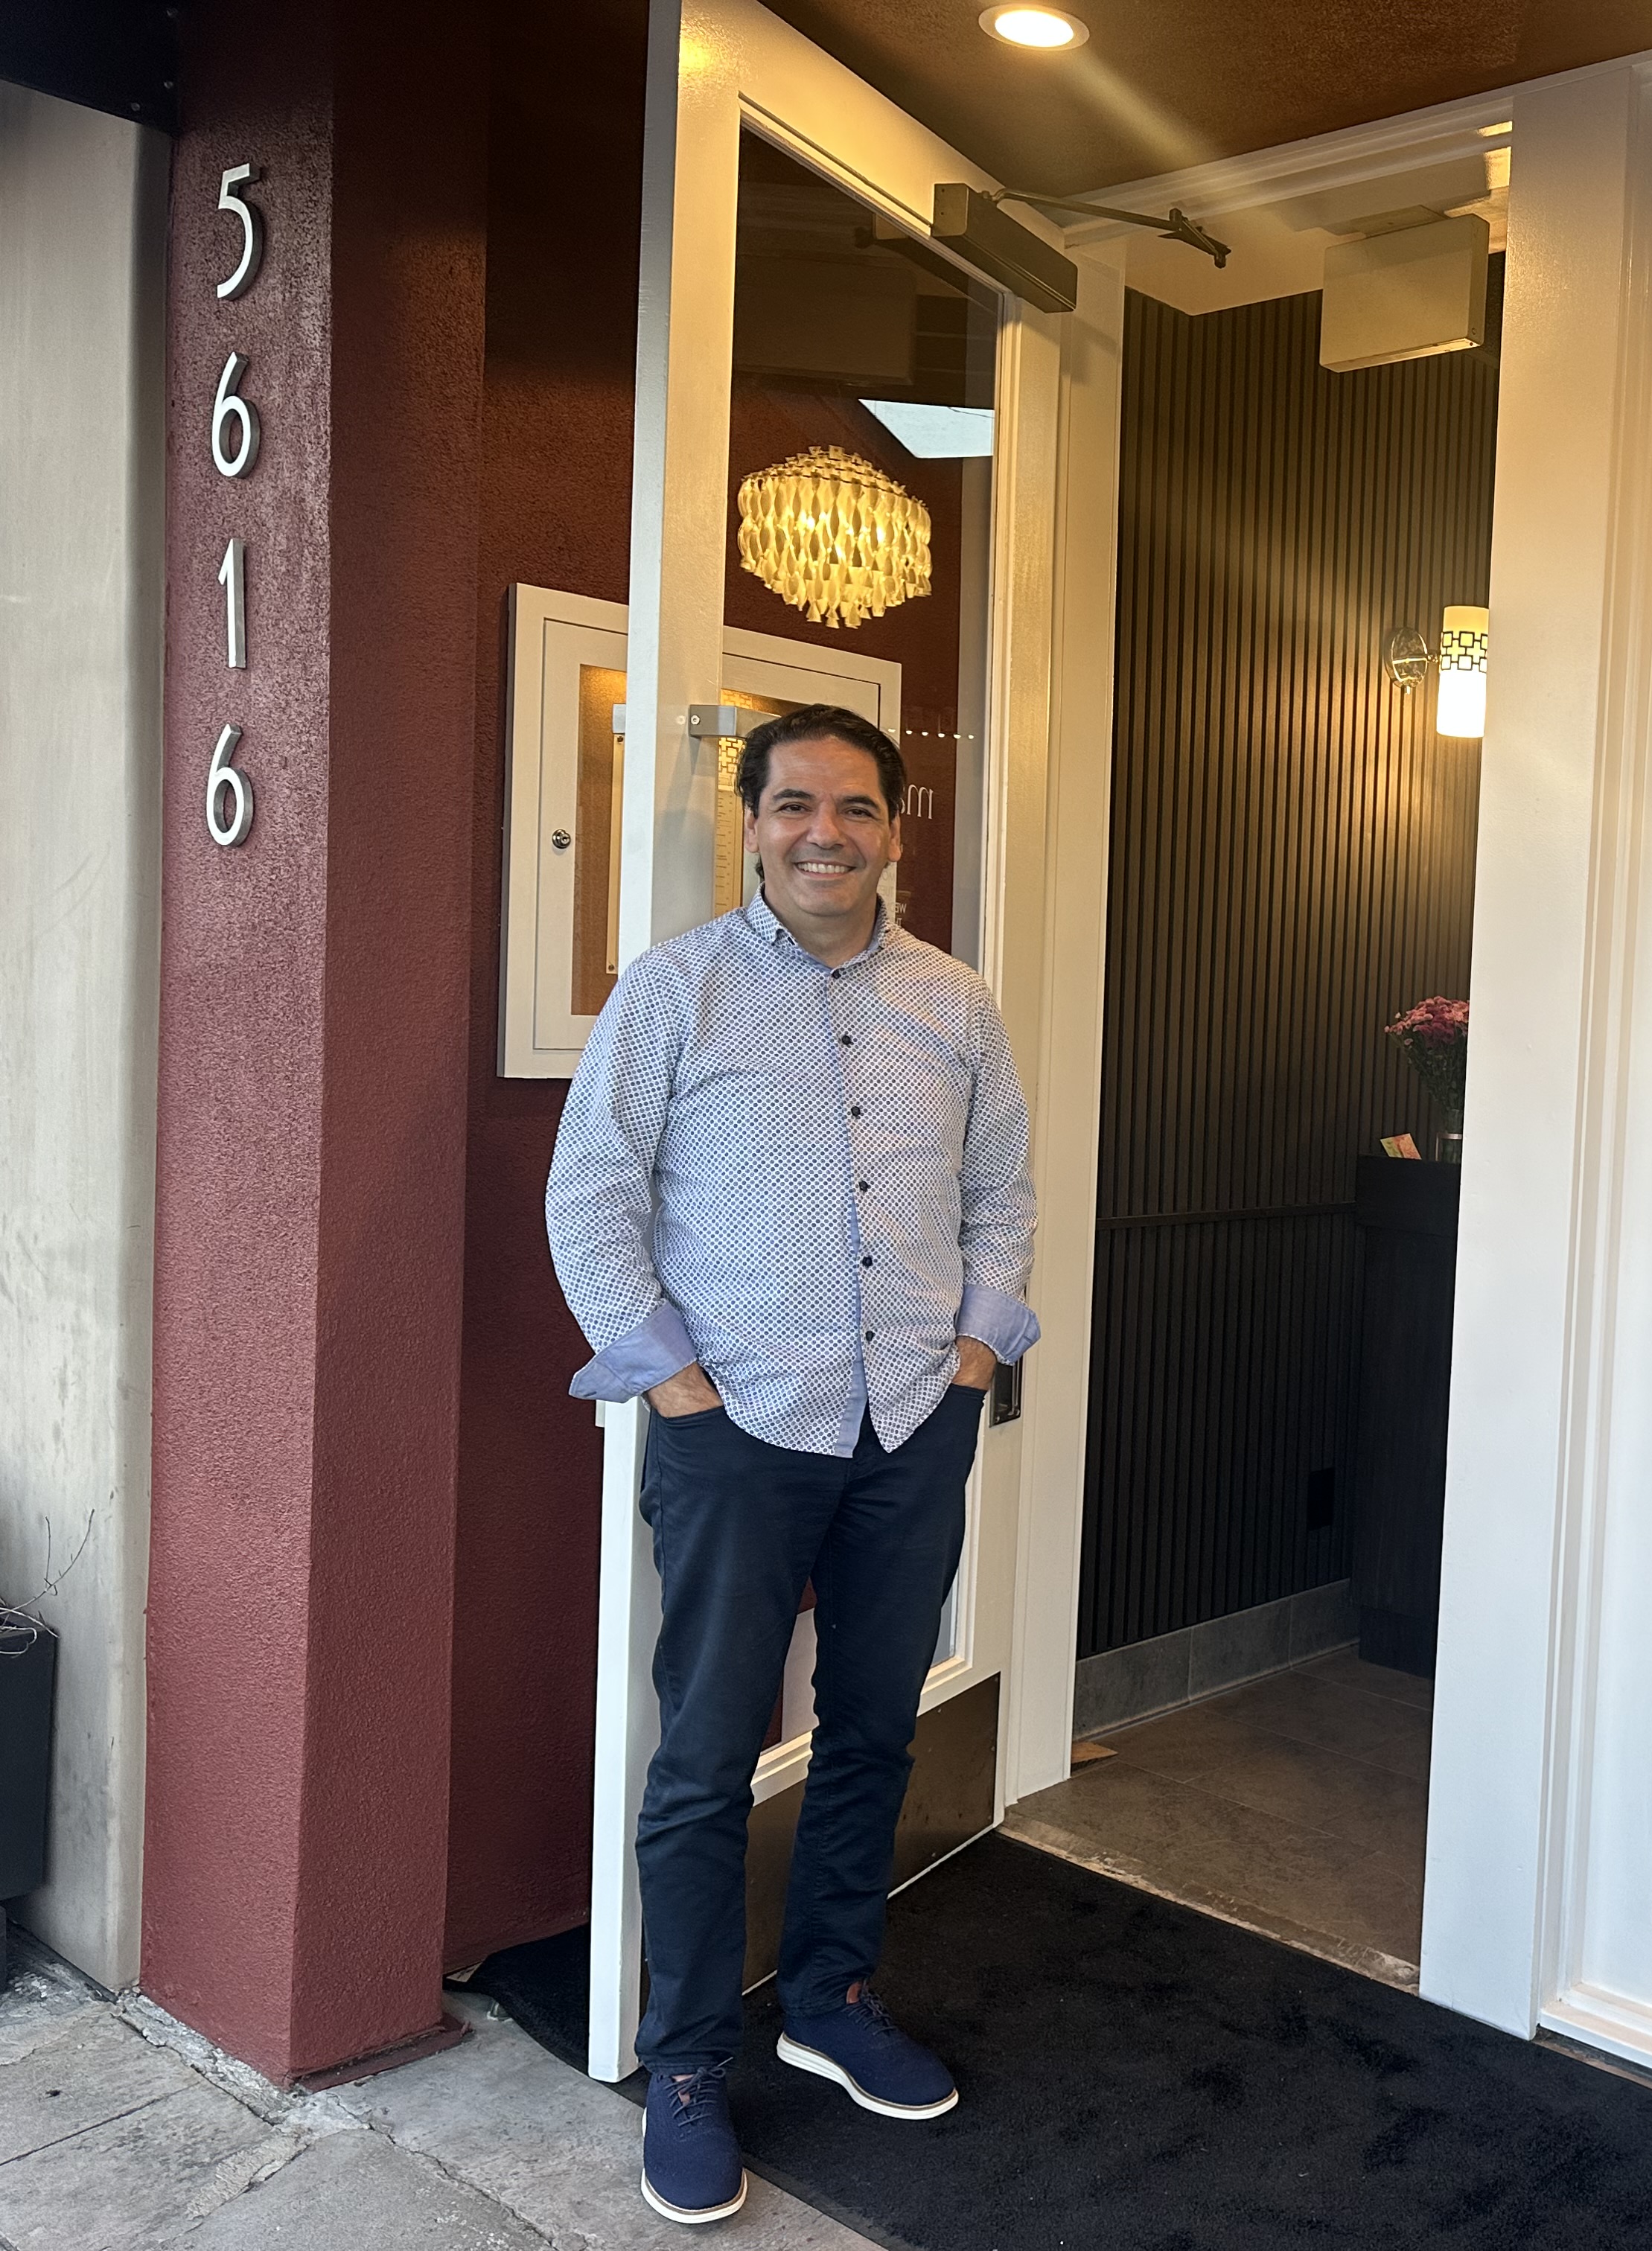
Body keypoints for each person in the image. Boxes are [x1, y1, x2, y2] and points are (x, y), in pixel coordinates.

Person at [546, 704, 1039, 2226]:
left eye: (857, 807)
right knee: (702, 1756)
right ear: (753, 823)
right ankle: (688, 2057)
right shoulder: (675, 991)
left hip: (908, 1418)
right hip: (738, 1428)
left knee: (873, 1730)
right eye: (795, 804)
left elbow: (1005, 1190)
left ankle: (827, 1997)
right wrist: (670, 1376)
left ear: (899, 827)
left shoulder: (953, 1003)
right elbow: (592, 1193)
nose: (826, 831)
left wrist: (974, 1353)